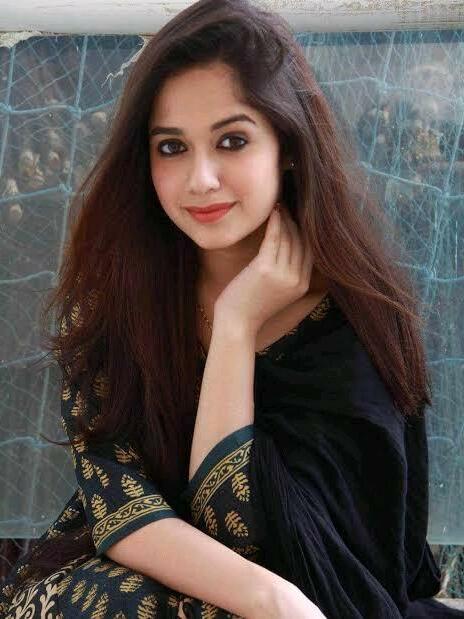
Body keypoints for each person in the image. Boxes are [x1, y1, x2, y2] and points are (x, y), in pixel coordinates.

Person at [1, 0, 462, 617]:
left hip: (316, 589)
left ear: (288, 147)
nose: (201, 179)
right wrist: (272, 600)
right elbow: (120, 510)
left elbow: (242, 533)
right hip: (137, 575)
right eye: (172, 147)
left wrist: (236, 327)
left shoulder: (353, 323)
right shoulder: (113, 301)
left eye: (233, 141)